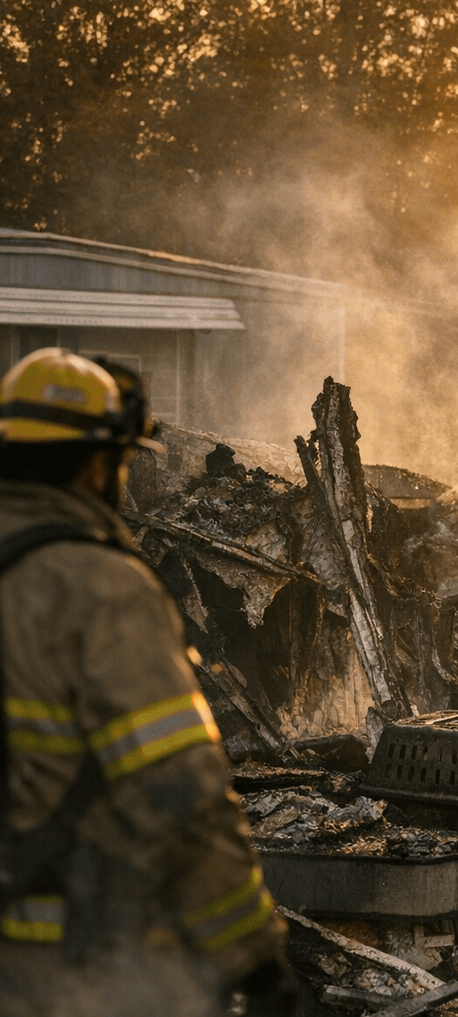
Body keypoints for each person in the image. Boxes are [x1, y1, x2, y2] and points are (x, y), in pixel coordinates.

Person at [0, 349, 291, 1015]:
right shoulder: (99, 587)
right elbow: (177, 792)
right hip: (85, 961)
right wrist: (253, 955)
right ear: (98, 464)